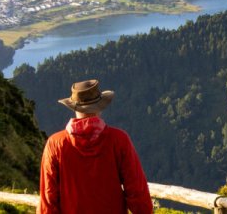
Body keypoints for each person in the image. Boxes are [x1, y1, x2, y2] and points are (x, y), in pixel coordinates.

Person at [40, 80, 151, 214]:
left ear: (74, 108)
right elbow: (137, 190)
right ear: (100, 107)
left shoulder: (55, 144)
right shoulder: (119, 140)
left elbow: (48, 198)